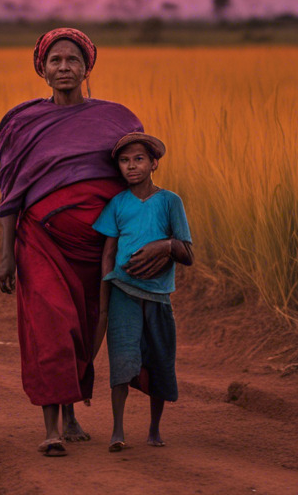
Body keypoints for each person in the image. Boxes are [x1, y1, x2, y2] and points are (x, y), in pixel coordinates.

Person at [0, 28, 162, 457]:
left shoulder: (118, 120)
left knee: (85, 331)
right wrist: (6, 256)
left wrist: (150, 243)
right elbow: (10, 194)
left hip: (99, 248)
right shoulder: (21, 123)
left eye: (72, 60)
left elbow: (138, 184)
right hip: (39, 242)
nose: (64, 67)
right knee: (50, 328)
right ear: (42, 69)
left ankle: (71, 412)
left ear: (87, 67)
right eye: (55, 61)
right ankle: (51, 428)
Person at [90, 131, 193, 452]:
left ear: (154, 164)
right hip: (123, 290)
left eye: (139, 159)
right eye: (124, 161)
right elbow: (109, 250)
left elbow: (187, 253)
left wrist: (164, 246)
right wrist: (107, 285)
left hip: (159, 296)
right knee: (122, 359)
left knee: (160, 360)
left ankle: (154, 429)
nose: (131, 166)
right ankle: (117, 430)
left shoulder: (169, 201)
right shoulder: (118, 204)